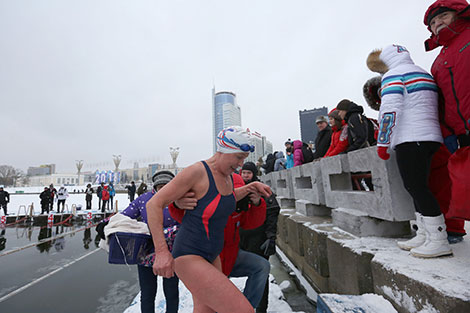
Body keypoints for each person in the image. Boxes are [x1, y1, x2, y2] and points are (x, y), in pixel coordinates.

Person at [146, 126, 272, 313]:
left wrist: (249, 187)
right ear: (224, 150)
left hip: (213, 255)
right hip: (190, 254)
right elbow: (154, 204)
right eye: (238, 157)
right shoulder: (197, 171)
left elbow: (223, 199)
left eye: (244, 159)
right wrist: (162, 252)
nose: (240, 164)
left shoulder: (228, 177)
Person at [367, 44, 451, 258]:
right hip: (430, 135)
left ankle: (439, 238)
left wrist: (383, 143)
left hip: (410, 137)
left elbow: (389, 109)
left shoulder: (394, 75)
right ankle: (424, 234)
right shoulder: (421, 72)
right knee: (419, 186)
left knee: (417, 187)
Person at [169, 170, 270, 310]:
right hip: (206, 260)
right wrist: (177, 203)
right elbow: (179, 215)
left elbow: (251, 223)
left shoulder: (239, 208)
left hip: (231, 257)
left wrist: (257, 203)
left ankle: (246, 306)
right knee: (206, 306)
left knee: (261, 266)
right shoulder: (207, 204)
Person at [424, 0, 470, 223]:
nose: (437, 24)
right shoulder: (438, 62)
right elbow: (440, 102)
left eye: (443, 16)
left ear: (458, 13)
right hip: (462, 134)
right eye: (433, 22)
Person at [120, 170, 180, 313]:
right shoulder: (144, 199)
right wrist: (106, 223)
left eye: (167, 186)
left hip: (172, 252)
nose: (164, 190)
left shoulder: (179, 200)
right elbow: (125, 216)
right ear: (155, 187)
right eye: (161, 186)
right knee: (147, 293)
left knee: (171, 291)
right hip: (146, 253)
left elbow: (190, 221)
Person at [239, 162, 281, 313]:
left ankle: (261, 309)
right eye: (243, 173)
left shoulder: (263, 190)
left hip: (259, 239)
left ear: (254, 174)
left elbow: (272, 213)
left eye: (248, 173)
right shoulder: (236, 189)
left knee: (261, 275)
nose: (245, 176)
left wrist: (271, 237)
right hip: (239, 238)